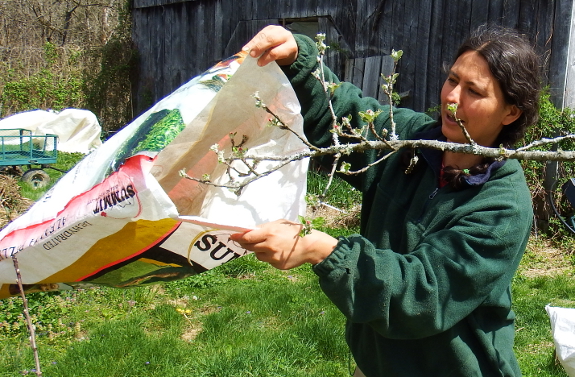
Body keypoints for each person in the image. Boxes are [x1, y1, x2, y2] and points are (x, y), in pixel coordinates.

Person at [230, 24, 541, 376]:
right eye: (453, 80)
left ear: (510, 112)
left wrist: (324, 250)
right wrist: (297, 60)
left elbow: (423, 295)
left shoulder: (503, 206)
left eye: (474, 91)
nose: (453, 97)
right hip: (378, 363)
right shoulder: (412, 143)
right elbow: (344, 116)